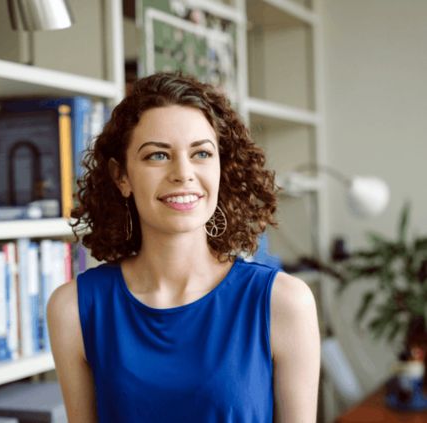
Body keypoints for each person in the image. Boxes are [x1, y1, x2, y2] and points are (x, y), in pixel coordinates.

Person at [46, 71, 320, 423]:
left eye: (202, 153)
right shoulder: (73, 309)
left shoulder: (284, 302)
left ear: (223, 167)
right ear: (122, 177)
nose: (183, 173)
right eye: (157, 156)